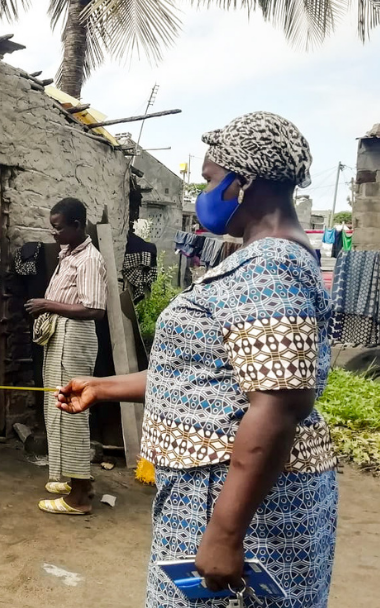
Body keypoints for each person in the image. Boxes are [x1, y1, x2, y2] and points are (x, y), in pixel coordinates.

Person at [56, 112, 338, 607]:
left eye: (209, 180)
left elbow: (277, 404)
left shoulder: (271, 266)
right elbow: (208, 373)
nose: (202, 194)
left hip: (228, 492)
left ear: (244, 183)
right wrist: (105, 386)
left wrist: (226, 532)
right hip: (218, 488)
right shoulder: (263, 259)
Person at [24, 197, 107, 515]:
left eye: (58, 228)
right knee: (56, 406)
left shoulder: (89, 259)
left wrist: (47, 305)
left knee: (71, 411)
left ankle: (80, 495)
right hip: (61, 336)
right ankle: (68, 477)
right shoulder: (69, 254)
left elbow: (94, 309)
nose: (54, 234)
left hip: (75, 338)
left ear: (77, 225)